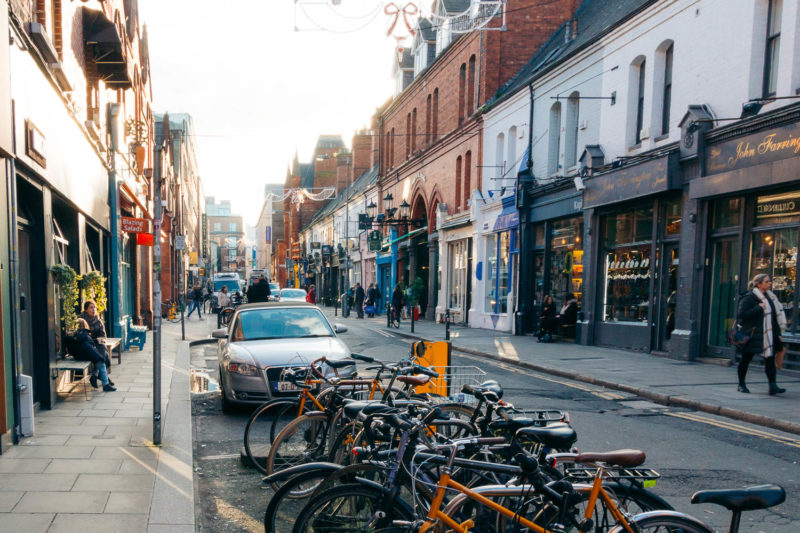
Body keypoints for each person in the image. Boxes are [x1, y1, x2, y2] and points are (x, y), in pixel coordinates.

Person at [736, 273, 787, 395]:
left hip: (768, 334)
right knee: (746, 359)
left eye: (769, 281)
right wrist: (759, 308)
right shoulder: (749, 297)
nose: (770, 283)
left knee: (769, 359)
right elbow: (742, 315)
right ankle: (741, 384)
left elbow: (774, 317)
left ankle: (773, 385)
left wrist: (779, 333)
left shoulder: (771, 297)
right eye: (767, 281)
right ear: (759, 284)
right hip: (753, 334)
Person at [70, 318, 115, 391]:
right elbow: (88, 347)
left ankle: (95, 376)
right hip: (86, 355)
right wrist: (99, 357)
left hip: (77, 356)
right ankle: (105, 384)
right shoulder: (86, 335)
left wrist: (94, 341)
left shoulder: (73, 335)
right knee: (101, 361)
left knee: (102, 354)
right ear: (85, 325)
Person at [78, 300, 111, 369]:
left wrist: (100, 338)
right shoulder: (80, 319)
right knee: (103, 354)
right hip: (85, 345)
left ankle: (96, 373)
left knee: (102, 347)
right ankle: (100, 374)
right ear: (86, 310)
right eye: (91, 307)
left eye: (95, 307)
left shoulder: (98, 320)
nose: (94, 310)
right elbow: (79, 336)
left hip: (96, 343)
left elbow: (103, 335)